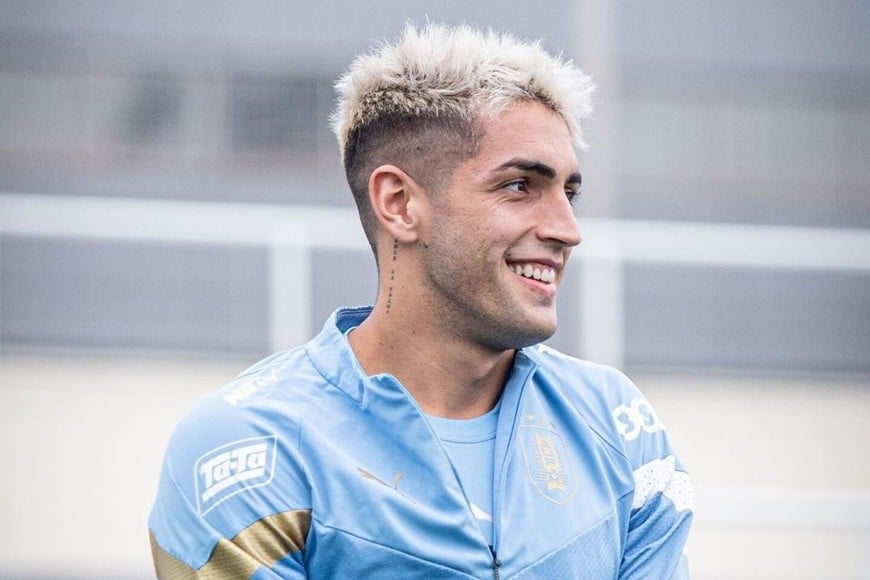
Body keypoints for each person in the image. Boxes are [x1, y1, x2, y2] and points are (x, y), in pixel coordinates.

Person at [149, 23, 693, 579]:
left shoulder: (615, 423)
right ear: (400, 203)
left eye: (569, 193)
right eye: (520, 186)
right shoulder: (248, 444)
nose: (568, 229)